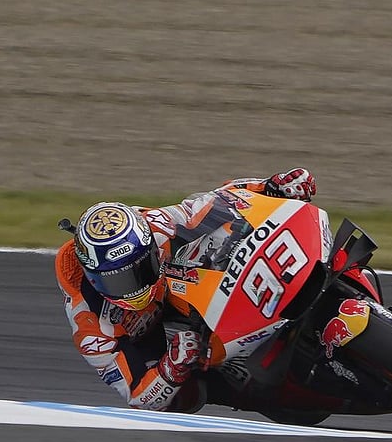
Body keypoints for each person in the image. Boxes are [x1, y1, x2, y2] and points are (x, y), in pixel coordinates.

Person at [55, 168, 344, 421]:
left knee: (222, 234)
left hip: (179, 283)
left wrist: (271, 185)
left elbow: (221, 200)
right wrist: (171, 369)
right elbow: (136, 395)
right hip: (160, 341)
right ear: (94, 278)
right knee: (180, 401)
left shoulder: (155, 225)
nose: (136, 286)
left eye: (142, 268)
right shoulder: (91, 328)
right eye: (120, 280)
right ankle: (245, 380)